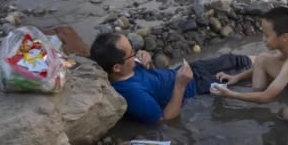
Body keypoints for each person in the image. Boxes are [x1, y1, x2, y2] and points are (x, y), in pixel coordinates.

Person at [90, 32, 253, 124]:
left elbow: (153, 81)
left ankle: (271, 59)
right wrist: (181, 85)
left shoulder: (128, 66)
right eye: (131, 52)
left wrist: (146, 59)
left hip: (188, 70)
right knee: (244, 80)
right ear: (117, 68)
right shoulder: (134, 95)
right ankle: (270, 71)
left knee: (232, 59)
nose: (135, 52)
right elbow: (166, 119)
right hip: (198, 86)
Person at [211, 7, 288, 122]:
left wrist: (231, 94)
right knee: (262, 59)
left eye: (267, 35)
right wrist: (236, 77)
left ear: (284, 37)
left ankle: (278, 112)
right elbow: (269, 63)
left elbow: (266, 98)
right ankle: (260, 92)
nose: (263, 39)